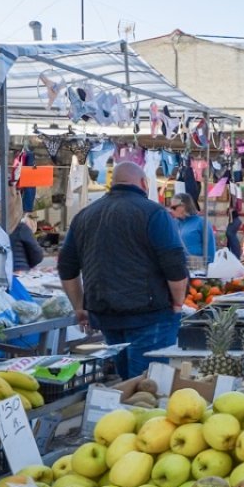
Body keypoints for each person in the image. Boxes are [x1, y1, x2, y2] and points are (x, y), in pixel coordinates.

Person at [56, 161, 188, 377]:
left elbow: (66, 266)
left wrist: (79, 306)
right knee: (148, 385)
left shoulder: (84, 215)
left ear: (113, 182)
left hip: (106, 314)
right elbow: (174, 264)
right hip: (150, 314)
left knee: (127, 380)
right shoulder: (154, 213)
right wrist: (178, 302)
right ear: (144, 183)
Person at [167, 193, 213, 267]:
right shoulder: (174, 223)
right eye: (170, 207)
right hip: (179, 267)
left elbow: (210, 248)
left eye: (174, 207)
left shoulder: (201, 223)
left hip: (198, 267)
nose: (171, 210)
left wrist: (209, 268)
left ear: (184, 206)